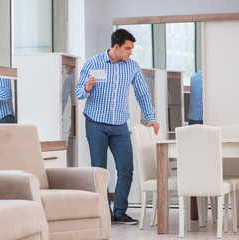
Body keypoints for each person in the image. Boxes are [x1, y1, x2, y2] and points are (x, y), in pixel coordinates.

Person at [75, 29, 160, 225]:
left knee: (126, 169)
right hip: (96, 123)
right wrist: (87, 87)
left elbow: (143, 95)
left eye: (132, 48)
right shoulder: (93, 64)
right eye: (127, 48)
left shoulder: (132, 67)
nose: (131, 52)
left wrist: (151, 118)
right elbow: (79, 93)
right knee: (100, 170)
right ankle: (104, 212)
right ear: (116, 47)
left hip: (120, 125)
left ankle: (119, 212)